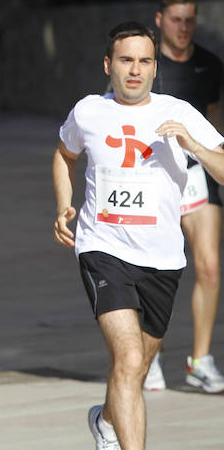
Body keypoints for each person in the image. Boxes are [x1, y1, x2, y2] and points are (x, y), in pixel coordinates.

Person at [53, 22, 224, 449]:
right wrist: (63, 204)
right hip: (102, 249)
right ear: (108, 65)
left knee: (136, 366)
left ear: (154, 67)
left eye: (144, 61)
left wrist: (194, 146)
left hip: (163, 260)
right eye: (126, 60)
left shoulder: (178, 112)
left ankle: (106, 420)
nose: (135, 70)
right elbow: (63, 153)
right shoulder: (89, 111)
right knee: (128, 358)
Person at [143, 0, 224, 393]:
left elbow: (212, 121)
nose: (183, 27)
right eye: (176, 19)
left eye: (190, 19)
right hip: (153, 174)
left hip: (197, 172)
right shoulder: (145, 64)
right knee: (153, 269)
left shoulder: (210, 65)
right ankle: (149, 354)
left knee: (208, 266)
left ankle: (200, 360)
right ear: (160, 20)